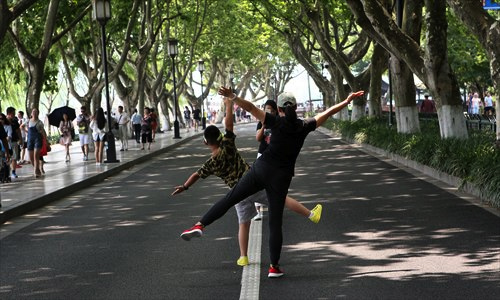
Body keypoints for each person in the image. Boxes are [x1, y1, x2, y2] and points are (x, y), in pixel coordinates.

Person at [180, 86, 364, 278]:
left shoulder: (275, 122)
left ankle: (200, 225)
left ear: (279, 108)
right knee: (275, 223)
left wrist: (232, 97)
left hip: (261, 170)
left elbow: (250, 108)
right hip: (281, 178)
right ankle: (274, 267)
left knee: (230, 198)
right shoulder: (304, 126)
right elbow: (328, 112)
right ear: (295, 106)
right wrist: (347, 101)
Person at [173, 97, 321, 267]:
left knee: (242, 223)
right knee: (282, 201)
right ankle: (310, 215)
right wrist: (229, 103)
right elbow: (229, 125)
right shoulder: (228, 145)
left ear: (206, 142)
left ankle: (241, 255)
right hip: (252, 182)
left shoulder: (210, 164)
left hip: (238, 192)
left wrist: (185, 187)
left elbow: (196, 174)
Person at [253, 100, 278, 220]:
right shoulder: (261, 122)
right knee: (258, 182)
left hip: (276, 156)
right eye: (267, 109)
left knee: (275, 183)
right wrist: (263, 124)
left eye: (272, 110)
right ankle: (258, 211)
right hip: (262, 155)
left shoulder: (279, 122)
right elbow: (258, 138)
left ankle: (276, 208)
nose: (270, 112)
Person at [27, 108, 47, 178]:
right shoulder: (28, 121)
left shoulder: (40, 122)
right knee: (31, 158)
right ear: (31, 113)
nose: (34, 113)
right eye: (33, 111)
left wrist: (46, 142)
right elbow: (21, 127)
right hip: (30, 140)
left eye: (36, 112)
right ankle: (37, 168)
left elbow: (43, 132)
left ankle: (36, 171)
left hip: (38, 140)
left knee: (36, 156)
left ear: (38, 113)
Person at [6, 107, 21, 178]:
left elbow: (18, 130)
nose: (14, 115)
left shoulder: (15, 121)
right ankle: (6, 172)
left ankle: (13, 172)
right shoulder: (3, 121)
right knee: (7, 158)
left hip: (14, 141)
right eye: (13, 113)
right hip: (6, 143)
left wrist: (20, 139)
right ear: (9, 114)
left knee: (14, 157)